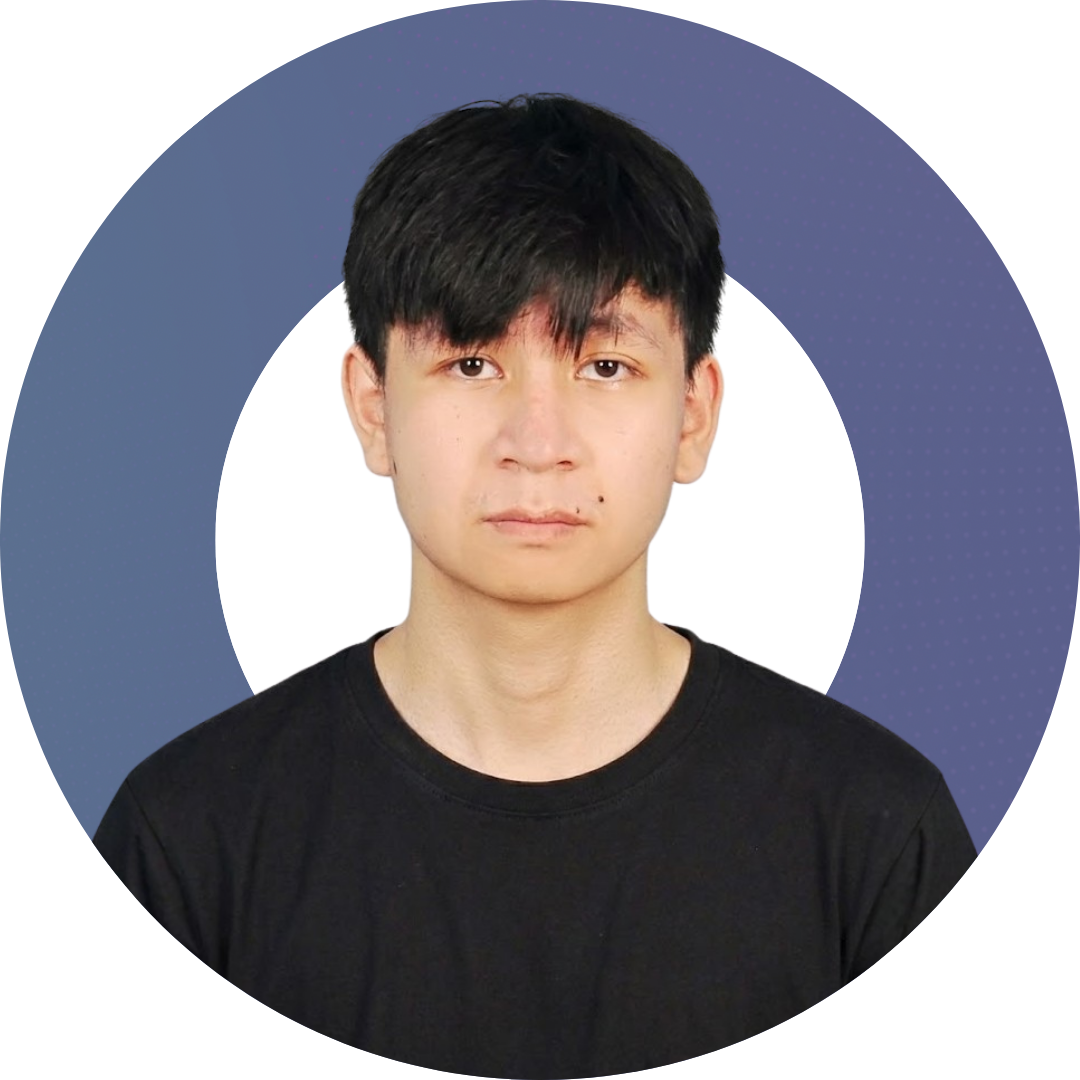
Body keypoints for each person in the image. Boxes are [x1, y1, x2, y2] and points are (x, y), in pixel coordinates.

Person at [93, 93, 977, 1075]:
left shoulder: (873, 838)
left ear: (693, 415)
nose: (538, 443)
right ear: (373, 407)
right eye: (473, 363)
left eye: (605, 365)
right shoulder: (191, 840)